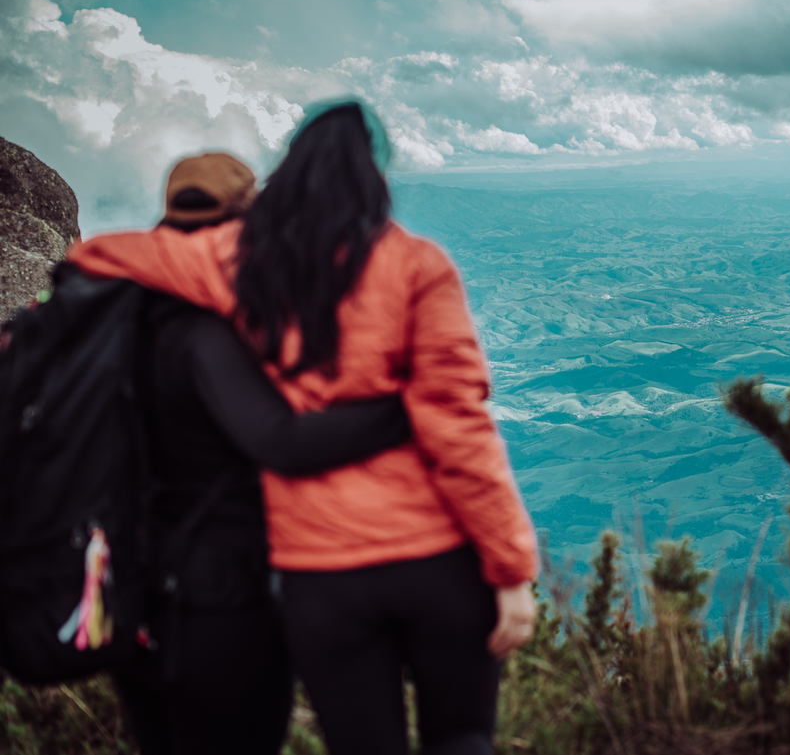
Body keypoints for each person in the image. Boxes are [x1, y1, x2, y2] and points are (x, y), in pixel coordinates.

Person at [69, 100, 539, 755]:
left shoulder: (238, 261)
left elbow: (111, 252)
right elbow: (460, 427)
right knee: (461, 737)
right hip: (437, 557)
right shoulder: (418, 265)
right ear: (376, 175)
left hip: (321, 577)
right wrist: (511, 568)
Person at [109, 152, 414, 755]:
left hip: (131, 596)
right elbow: (281, 441)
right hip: (217, 606)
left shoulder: (123, 306)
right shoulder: (199, 324)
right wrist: (405, 405)